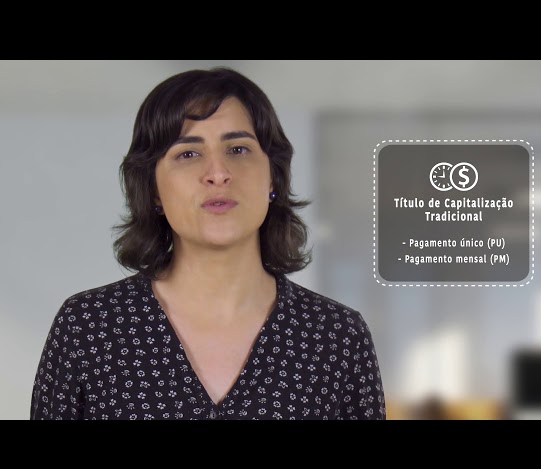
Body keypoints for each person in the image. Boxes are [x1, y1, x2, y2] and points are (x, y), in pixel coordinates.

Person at [30, 66, 386, 420]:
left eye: (238, 149)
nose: (218, 173)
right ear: (153, 189)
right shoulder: (88, 328)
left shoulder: (338, 337)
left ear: (273, 178)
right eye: (188, 153)